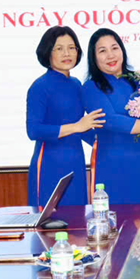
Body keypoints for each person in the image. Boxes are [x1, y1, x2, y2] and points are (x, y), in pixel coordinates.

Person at [82, 28, 140, 205]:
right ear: (93, 57)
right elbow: (109, 120)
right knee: (115, 218)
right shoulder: (91, 87)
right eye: (102, 51)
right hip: (113, 165)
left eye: (114, 48)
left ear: (122, 50)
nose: (110, 55)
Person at [26, 26, 105, 207]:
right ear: (48, 52)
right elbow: (33, 130)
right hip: (49, 163)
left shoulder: (76, 84)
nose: (67, 53)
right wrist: (76, 127)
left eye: (71, 48)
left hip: (75, 161)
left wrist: (105, 142)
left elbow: (82, 127)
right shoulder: (40, 87)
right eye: (59, 48)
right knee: (50, 220)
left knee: (77, 217)